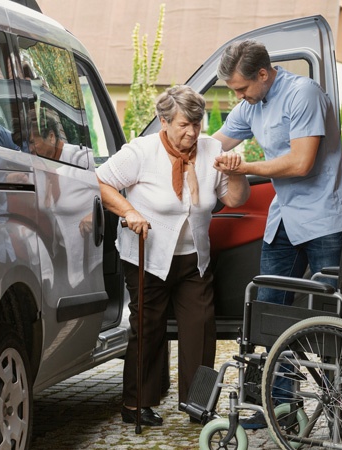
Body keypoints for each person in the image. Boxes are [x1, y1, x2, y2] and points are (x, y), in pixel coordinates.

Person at [212, 39, 342, 429]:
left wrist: (243, 167)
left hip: (325, 218)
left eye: (241, 88)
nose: (238, 97)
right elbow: (216, 143)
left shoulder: (302, 94)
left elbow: (301, 163)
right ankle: (280, 409)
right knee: (269, 312)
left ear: (263, 74)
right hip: (284, 221)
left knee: (329, 322)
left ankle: (338, 411)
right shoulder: (251, 104)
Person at [96, 85, 250, 426]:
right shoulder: (141, 151)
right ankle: (137, 403)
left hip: (194, 259)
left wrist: (237, 172)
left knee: (200, 329)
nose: (193, 132)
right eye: (184, 124)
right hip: (147, 255)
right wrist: (128, 211)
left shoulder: (212, 151)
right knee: (147, 328)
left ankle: (198, 405)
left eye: (197, 123)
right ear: (164, 121)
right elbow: (102, 182)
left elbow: (235, 199)